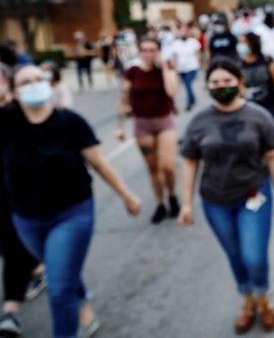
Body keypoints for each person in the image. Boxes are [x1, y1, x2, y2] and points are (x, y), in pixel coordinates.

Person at [2, 64, 141, 338]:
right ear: (15, 93)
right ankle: (83, 298)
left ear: (48, 83)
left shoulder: (70, 122)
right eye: (25, 82)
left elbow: (99, 164)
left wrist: (127, 196)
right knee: (59, 268)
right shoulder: (5, 122)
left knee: (58, 288)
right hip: (26, 219)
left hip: (72, 214)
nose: (33, 84)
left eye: (37, 79)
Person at [178, 58, 274, 334]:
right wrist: (185, 202)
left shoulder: (258, 116)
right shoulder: (199, 122)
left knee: (253, 255)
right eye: (215, 82)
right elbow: (190, 161)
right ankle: (247, 300)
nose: (221, 87)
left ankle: (263, 298)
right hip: (215, 200)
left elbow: (273, 156)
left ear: (240, 83)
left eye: (227, 81)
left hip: (253, 194)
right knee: (235, 254)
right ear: (207, 87)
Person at [0, 63, 45, 338]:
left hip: (17, 195)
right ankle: (38, 267)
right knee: (10, 247)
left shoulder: (17, 114)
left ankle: (11, 310)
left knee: (12, 246)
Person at [116, 37, 181, 223]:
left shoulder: (166, 68)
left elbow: (171, 91)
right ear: (139, 51)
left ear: (158, 51)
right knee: (153, 169)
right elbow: (124, 99)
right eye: (145, 49)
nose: (148, 53)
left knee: (167, 166)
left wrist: (164, 67)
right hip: (142, 123)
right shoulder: (132, 72)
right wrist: (120, 126)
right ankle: (160, 203)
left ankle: (172, 196)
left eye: (153, 50)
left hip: (164, 121)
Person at [238, 32, 274, 124]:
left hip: (269, 106)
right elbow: (240, 86)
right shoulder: (240, 64)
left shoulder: (267, 60)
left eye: (243, 42)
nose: (240, 46)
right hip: (249, 107)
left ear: (251, 44)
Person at [169, 24, 202, 111]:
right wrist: (174, 67)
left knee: (188, 84)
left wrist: (199, 64)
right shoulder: (175, 43)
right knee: (187, 85)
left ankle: (189, 103)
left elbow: (198, 54)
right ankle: (193, 98)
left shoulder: (193, 42)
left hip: (192, 66)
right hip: (181, 68)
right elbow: (174, 57)